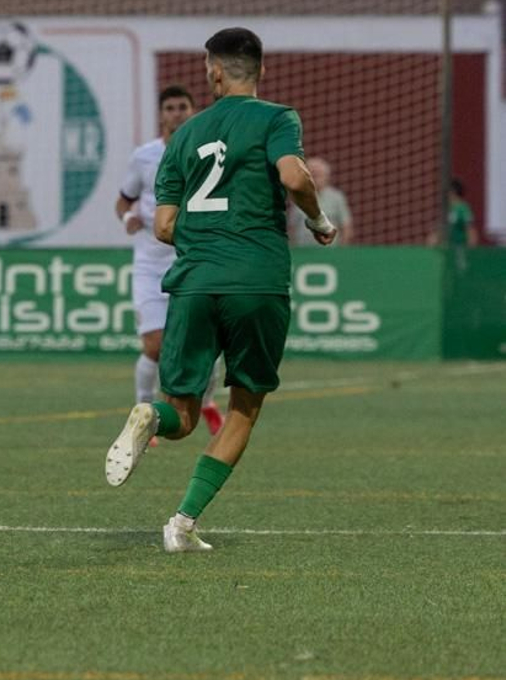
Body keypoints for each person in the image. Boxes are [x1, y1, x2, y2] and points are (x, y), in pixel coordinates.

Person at [104, 27, 337, 553]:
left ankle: (148, 415)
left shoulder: (183, 136)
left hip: (193, 282)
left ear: (213, 71)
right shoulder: (278, 118)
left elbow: (163, 225)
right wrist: (320, 222)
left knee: (180, 415)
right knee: (244, 407)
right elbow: (295, 179)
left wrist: (208, 237)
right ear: (261, 70)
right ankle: (181, 523)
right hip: (256, 279)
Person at [115, 86, 223, 437]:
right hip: (150, 260)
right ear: (161, 114)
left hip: (193, 259)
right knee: (155, 345)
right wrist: (127, 219)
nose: (177, 113)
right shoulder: (144, 156)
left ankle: (206, 401)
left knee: (205, 345)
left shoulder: (207, 152)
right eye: (171, 108)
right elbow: (123, 200)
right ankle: (141, 412)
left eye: (183, 107)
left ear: (194, 111)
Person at [289, 157, 352, 246]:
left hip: (330, 252)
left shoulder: (337, 197)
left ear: (327, 176)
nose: (316, 178)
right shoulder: (298, 196)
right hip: (303, 252)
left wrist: (342, 251)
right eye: (312, 174)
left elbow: (346, 226)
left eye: (319, 174)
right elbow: (292, 227)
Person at [446, 179, 478, 247]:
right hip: (452, 247)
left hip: (462, 248)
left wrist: (471, 248)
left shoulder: (463, 209)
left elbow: (470, 229)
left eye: (448, 192)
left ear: (453, 192)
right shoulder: (451, 209)